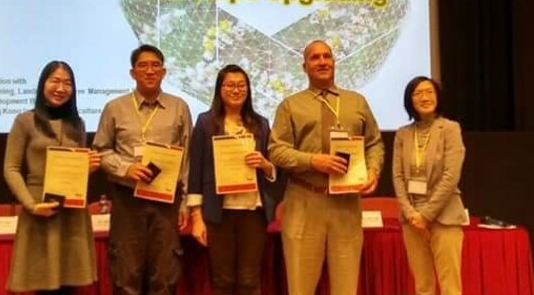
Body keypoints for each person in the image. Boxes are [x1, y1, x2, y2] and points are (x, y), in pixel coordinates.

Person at [268, 39, 384, 295]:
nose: (322, 61)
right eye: (315, 58)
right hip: (304, 201)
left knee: (346, 288)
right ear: (304, 66)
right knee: (300, 287)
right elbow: (276, 150)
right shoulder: (290, 105)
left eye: (327, 56)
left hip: (347, 205)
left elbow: (374, 143)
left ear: (334, 62)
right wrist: (313, 160)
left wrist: (373, 171)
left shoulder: (357, 102)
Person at [93, 44, 192, 295]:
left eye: (155, 65)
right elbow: (100, 150)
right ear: (132, 73)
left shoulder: (179, 107)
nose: (150, 71)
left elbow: (187, 158)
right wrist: (126, 169)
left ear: (164, 71)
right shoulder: (115, 108)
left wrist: (184, 204)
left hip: (166, 202)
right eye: (143, 66)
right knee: (127, 276)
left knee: (165, 276)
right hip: (128, 201)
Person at [3, 61, 101, 295]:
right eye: (55, 81)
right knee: (43, 286)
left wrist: (86, 168)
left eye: (67, 83)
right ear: (42, 84)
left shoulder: (77, 124)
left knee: (71, 285)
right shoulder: (25, 121)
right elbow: (11, 167)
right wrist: (31, 205)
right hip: (39, 210)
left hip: (72, 212)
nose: (61, 88)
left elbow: (75, 169)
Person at [188, 64, 281, 295]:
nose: (236, 90)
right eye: (230, 85)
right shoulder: (205, 122)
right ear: (220, 89)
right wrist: (196, 217)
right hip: (218, 213)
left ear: (248, 90)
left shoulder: (261, 123)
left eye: (241, 85)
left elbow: (272, 170)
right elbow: (196, 171)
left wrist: (266, 165)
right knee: (222, 280)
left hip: (253, 212)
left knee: (250, 280)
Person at [392, 76, 466, 295]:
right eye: (417, 93)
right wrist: (411, 213)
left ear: (437, 96)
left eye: (429, 92)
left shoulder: (450, 129)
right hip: (412, 219)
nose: (424, 97)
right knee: (422, 285)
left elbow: (450, 176)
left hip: (444, 216)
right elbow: (397, 177)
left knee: (450, 286)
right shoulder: (403, 134)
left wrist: (426, 215)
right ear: (410, 101)